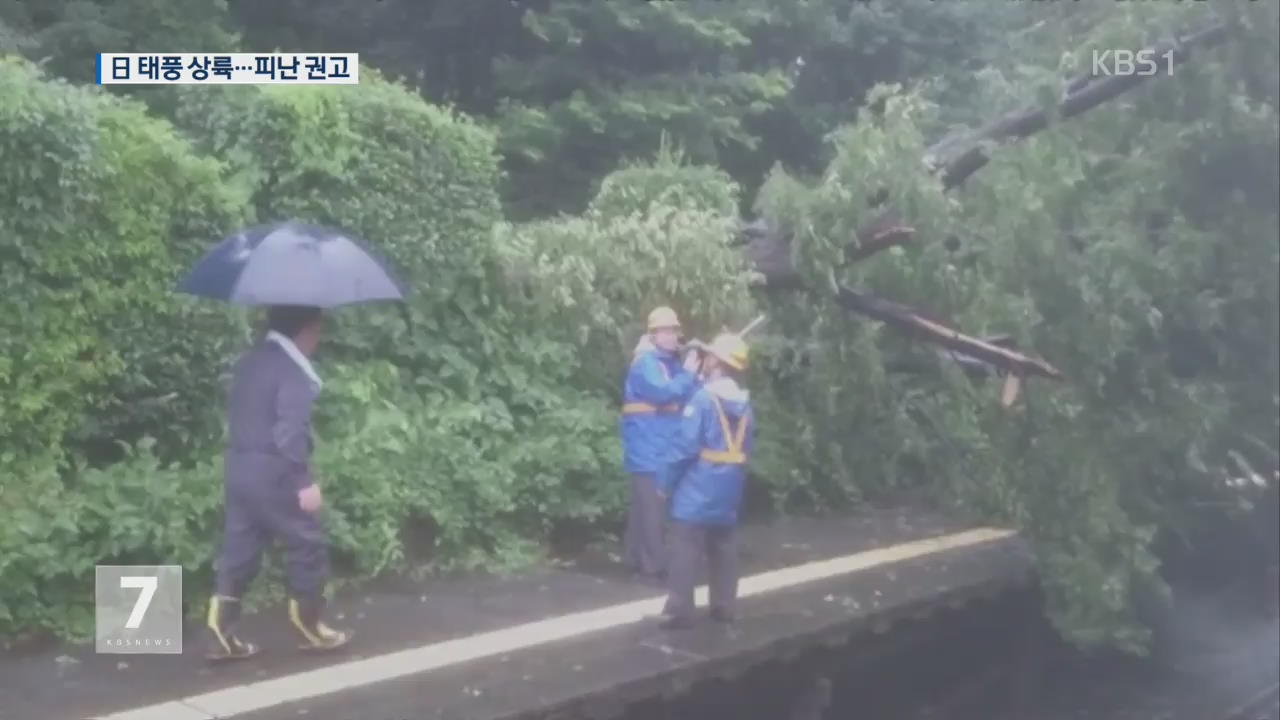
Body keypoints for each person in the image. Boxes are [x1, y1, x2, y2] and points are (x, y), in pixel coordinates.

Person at [205, 305, 352, 661]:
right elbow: (290, 431)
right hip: (275, 472)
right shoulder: (293, 372)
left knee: (240, 548)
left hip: (238, 467)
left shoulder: (250, 362)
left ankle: (222, 629)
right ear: (305, 330)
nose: (318, 340)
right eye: (318, 330)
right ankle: (310, 623)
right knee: (306, 542)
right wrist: (304, 482)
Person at [655, 332, 754, 629]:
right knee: (723, 545)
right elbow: (747, 446)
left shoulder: (703, 399)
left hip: (699, 484)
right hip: (730, 485)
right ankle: (724, 607)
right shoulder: (746, 405)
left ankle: (679, 610)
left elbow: (685, 446)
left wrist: (665, 483)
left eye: (710, 356)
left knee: (685, 545)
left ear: (715, 362)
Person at [621, 306, 702, 582]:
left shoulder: (669, 363)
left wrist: (695, 375)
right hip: (648, 448)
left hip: (658, 447)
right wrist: (689, 374)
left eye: (673, 331)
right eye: (664, 331)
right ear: (652, 334)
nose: (670, 336)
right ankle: (652, 568)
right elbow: (661, 392)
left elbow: (688, 393)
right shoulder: (645, 362)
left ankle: (634, 559)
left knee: (643, 510)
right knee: (653, 511)